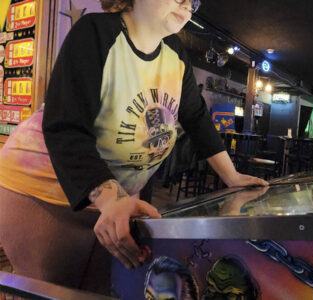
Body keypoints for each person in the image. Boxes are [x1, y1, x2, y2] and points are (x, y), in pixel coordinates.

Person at [0, 0, 267, 294]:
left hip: (114, 200)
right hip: (43, 189)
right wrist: (111, 200)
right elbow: (66, 127)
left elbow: (197, 118)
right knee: (54, 291)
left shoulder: (175, 53)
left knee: (102, 290)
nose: (187, 4)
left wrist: (232, 176)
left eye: (192, 0)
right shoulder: (95, 32)